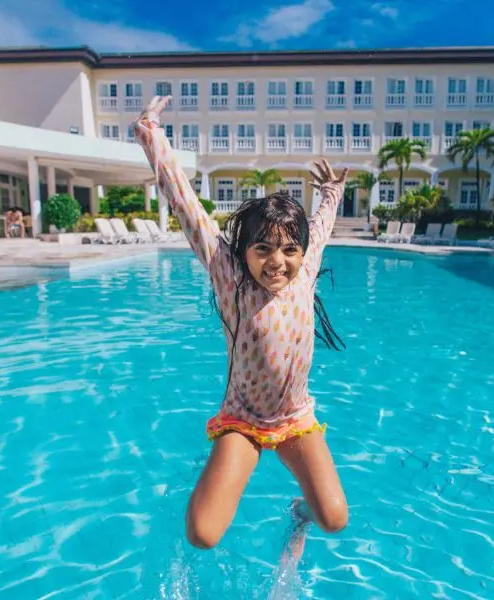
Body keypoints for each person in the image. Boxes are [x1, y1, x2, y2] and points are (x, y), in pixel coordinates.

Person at [132, 96, 349, 556]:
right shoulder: (230, 278)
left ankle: (300, 513)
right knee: (203, 535)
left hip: (295, 420)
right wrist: (152, 134)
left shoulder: (304, 272)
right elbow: (184, 202)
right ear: (243, 251)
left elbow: (322, 226)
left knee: (334, 519)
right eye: (263, 249)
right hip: (244, 421)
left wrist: (331, 192)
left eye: (289, 250)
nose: (278, 262)